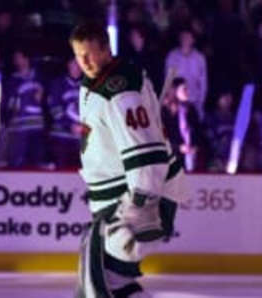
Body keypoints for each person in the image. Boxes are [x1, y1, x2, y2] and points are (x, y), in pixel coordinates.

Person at [69, 22, 185, 298]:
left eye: (90, 53)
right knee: (107, 281)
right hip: (118, 198)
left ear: (106, 50)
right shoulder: (100, 82)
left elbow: (145, 150)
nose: (83, 61)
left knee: (104, 283)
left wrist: (141, 201)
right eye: (78, 55)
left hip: (132, 199)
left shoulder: (120, 90)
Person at [165, 28, 207, 120]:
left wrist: (200, 103)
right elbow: (168, 82)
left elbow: (203, 83)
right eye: (183, 37)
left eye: (188, 37)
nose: (186, 40)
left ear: (193, 39)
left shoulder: (199, 58)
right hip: (177, 103)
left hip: (194, 101)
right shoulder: (172, 56)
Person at [47, 57, 82, 169]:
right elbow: (55, 109)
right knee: (61, 174)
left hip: (81, 141)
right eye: (74, 64)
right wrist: (69, 126)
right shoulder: (58, 84)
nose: (77, 67)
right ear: (68, 65)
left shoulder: (87, 86)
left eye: (79, 64)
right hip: (61, 139)